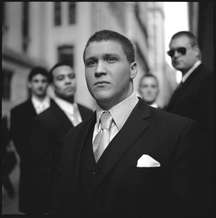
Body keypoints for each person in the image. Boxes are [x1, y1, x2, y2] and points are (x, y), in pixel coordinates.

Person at [54, 30, 212, 217]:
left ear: (133, 69)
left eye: (110, 59)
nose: (99, 70)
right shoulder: (72, 138)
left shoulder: (179, 132)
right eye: (91, 63)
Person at [29, 62, 93, 214]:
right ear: (52, 86)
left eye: (71, 76)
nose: (68, 81)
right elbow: (41, 170)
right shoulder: (43, 120)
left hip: (90, 199)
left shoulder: (89, 113)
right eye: (61, 78)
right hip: (61, 202)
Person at [10, 66, 51, 214]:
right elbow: (21, 146)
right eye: (36, 81)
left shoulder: (59, 108)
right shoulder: (18, 112)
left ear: (48, 84)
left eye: (43, 81)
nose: (40, 84)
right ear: (29, 84)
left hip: (56, 178)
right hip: (31, 177)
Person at [166, 31, 214, 138]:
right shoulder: (185, 83)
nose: (175, 55)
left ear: (196, 51)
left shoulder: (208, 80)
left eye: (181, 50)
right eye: (171, 53)